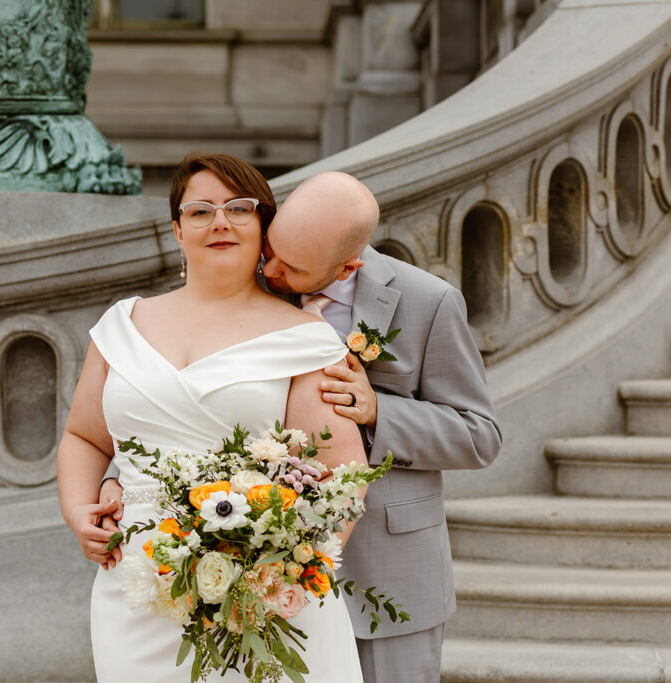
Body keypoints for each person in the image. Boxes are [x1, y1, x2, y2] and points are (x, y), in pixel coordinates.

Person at [100, 170, 502, 682]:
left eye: (288, 266)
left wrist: (378, 411)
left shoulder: (429, 301)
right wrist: (121, 472)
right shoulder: (255, 283)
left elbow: (479, 434)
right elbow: (188, 398)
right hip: (258, 567)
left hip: (389, 567)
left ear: (345, 267)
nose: (268, 268)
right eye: (270, 249)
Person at [56, 153, 369, 682]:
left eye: (238, 208)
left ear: (264, 228)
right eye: (200, 211)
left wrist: (279, 567)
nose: (219, 221)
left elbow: (344, 476)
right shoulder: (120, 326)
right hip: (136, 588)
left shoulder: (308, 340)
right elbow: (84, 437)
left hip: (262, 598)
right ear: (178, 230)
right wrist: (78, 510)